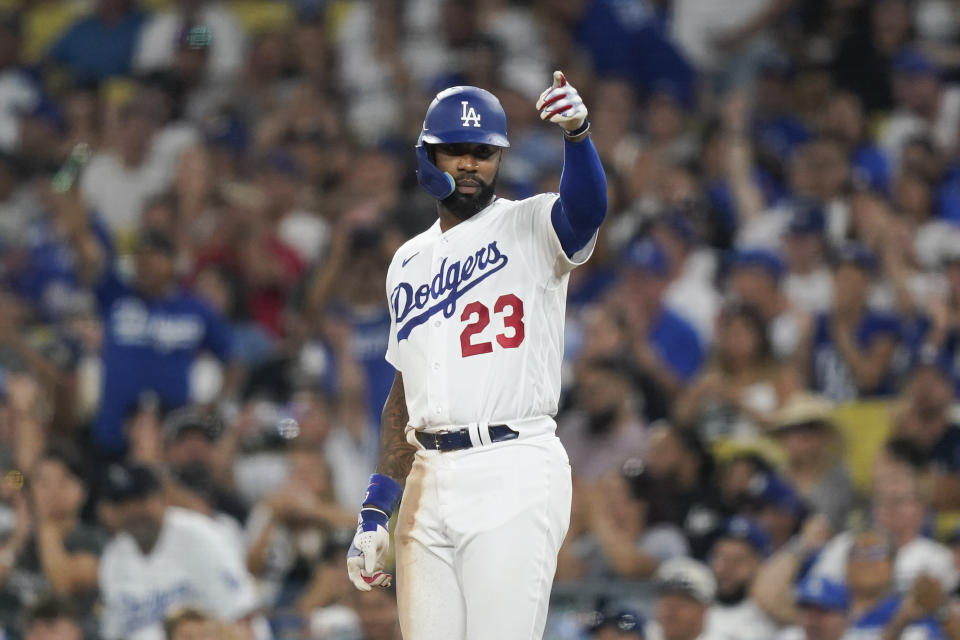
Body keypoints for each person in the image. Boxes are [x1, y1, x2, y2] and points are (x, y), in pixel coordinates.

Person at [345, 72, 607, 640]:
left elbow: (586, 211)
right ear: (426, 156)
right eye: (455, 151)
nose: (469, 164)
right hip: (428, 478)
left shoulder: (531, 222)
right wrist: (375, 510)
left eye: (484, 152)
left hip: (512, 465)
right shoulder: (407, 262)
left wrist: (578, 136)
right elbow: (403, 395)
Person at [97, 461, 268, 640]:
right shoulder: (113, 558)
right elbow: (113, 633)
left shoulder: (201, 537)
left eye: (140, 499)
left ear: (161, 497)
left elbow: (244, 619)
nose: (132, 511)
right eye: (122, 504)